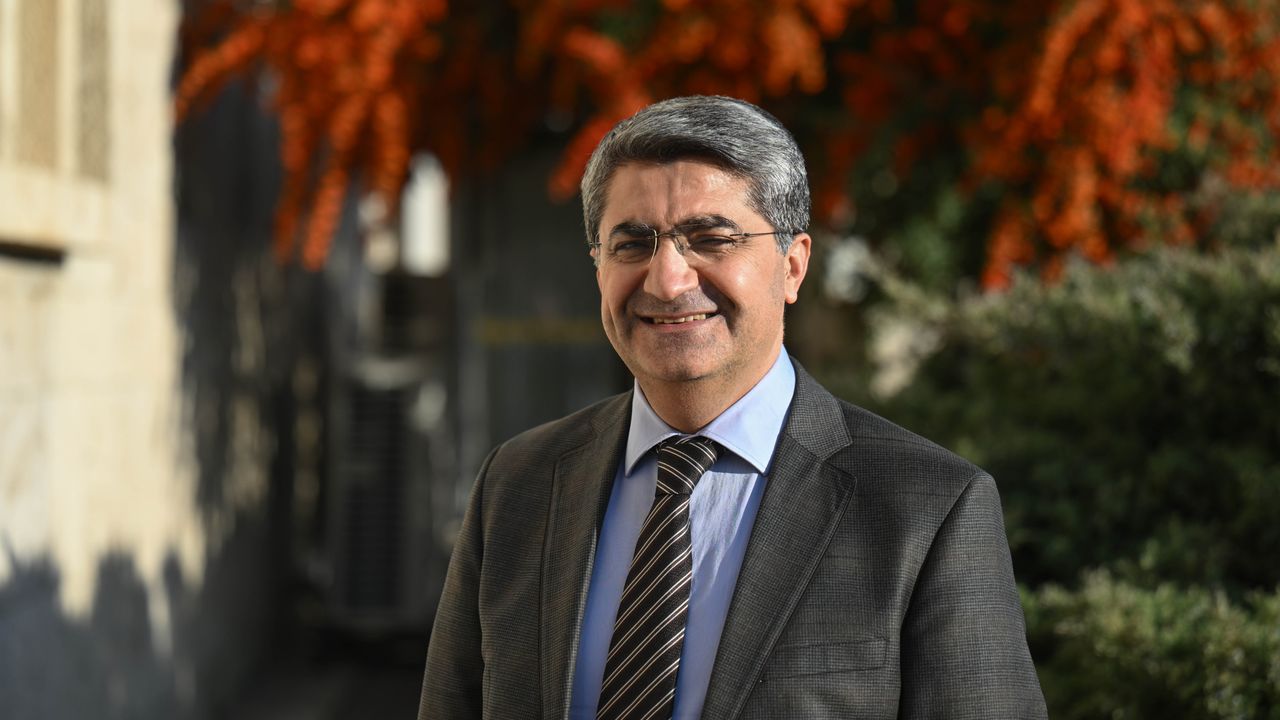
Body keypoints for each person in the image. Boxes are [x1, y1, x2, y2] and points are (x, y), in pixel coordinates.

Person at [419, 95, 1047, 719]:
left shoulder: (926, 509)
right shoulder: (519, 485)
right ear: (598, 267)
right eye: (632, 244)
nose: (668, 280)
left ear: (792, 266)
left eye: (711, 239)